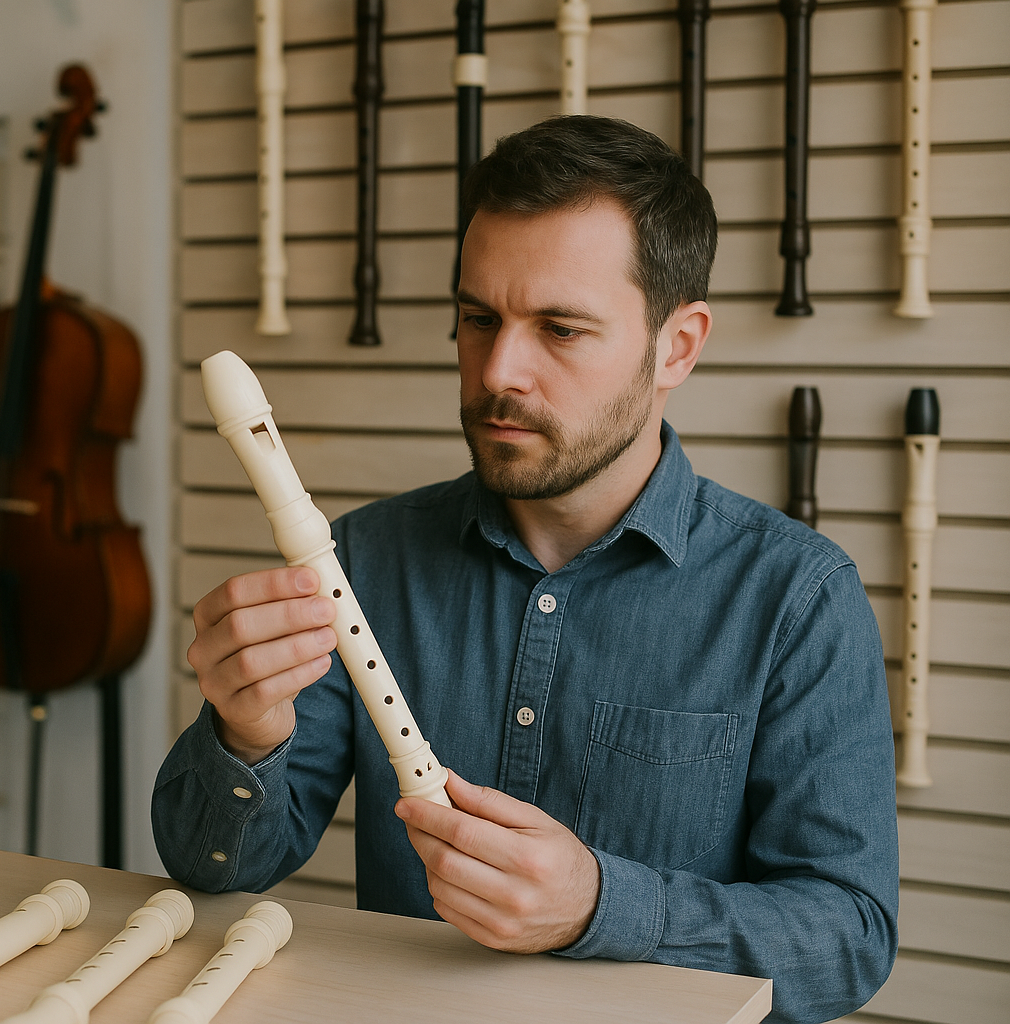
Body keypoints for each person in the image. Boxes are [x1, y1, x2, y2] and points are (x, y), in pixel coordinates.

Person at [152, 115, 898, 1023]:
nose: (499, 368)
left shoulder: (798, 599)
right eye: (477, 318)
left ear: (679, 345)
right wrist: (245, 738)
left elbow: (847, 938)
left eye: (560, 328)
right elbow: (209, 867)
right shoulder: (366, 561)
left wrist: (598, 904)